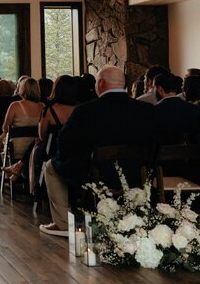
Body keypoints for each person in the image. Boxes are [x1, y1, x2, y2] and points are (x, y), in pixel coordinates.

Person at [39, 66, 154, 237]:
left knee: (50, 167)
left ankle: (62, 224)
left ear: (100, 83)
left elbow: (64, 141)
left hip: (94, 173)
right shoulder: (146, 110)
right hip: (136, 172)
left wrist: (65, 157)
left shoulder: (85, 110)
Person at [153, 72, 200, 144]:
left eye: (154, 88)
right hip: (190, 150)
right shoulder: (195, 109)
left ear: (160, 89)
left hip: (163, 150)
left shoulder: (153, 111)